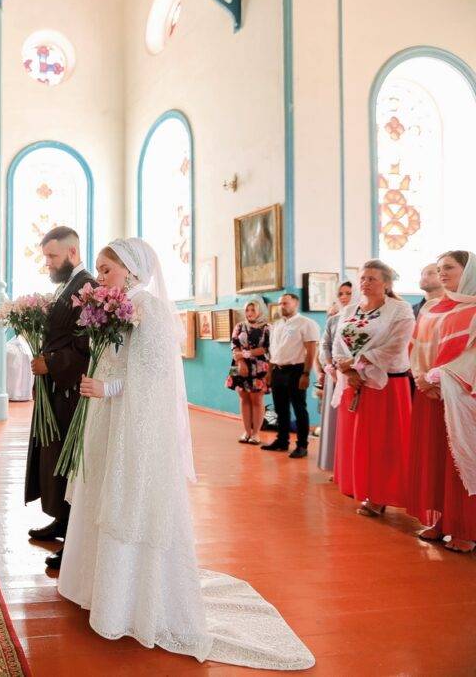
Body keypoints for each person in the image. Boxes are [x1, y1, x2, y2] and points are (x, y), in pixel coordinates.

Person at [57, 238, 314, 670]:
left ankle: (132, 602)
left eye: (106, 270)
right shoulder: (117, 307)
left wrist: (108, 388)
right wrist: (100, 382)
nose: (99, 279)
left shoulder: (149, 310)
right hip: (110, 419)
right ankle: (99, 589)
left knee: (128, 503)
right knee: (104, 496)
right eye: (99, 271)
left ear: (133, 270)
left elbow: (153, 381)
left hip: (134, 426)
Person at [26, 226, 95, 570]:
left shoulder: (89, 289)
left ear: (71, 253)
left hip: (72, 391)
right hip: (57, 389)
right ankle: (61, 521)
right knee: (56, 459)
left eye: (52, 257)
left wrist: (50, 363)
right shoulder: (68, 286)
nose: (48, 264)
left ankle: (74, 537)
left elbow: (87, 349)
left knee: (70, 462)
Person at [330, 259, 414, 517]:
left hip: (384, 384)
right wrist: (345, 369)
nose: (365, 283)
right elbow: (337, 343)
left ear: (387, 283)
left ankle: (381, 494)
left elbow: (395, 346)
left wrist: (358, 364)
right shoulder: (350, 310)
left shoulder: (400, 310)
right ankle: (362, 487)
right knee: (358, 440)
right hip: (353, 384)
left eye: (372, 279)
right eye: (363, 278)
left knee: (382, 442)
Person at [407, 250, 476, 552]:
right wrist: (422, 377)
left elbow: (471, 357)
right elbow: (417, 347)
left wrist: (437, 377)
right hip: (430, 395)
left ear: (469, 271)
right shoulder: (432, 307)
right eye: (439, 268)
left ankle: (466, 528)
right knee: (435, 457)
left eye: (449, 268)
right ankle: (442, 519)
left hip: (461, 394)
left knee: (460, 459)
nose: (442, 273)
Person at [262, 294, 320, 458]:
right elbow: (274, 350)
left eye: (286, 303)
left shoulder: (307, 324)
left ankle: (302, 445)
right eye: (280, 303)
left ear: (296, 303)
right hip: (278, 371)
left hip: (296, 370)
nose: (282, 306)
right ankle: (282, 440)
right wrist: (269, 372)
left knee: (299, 408)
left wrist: (306, 374)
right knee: (281, 409)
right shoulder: (277, 325)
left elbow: (311, 351)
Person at [316, 281, 353, 471]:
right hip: (335, 375)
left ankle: (350, 466)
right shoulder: (333, 319)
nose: (344, 297)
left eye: (348, 293)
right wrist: (329, 366)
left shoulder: (362, 317)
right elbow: (325, 345)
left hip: (354, 375)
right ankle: (336, 465)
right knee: (335, 423)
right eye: (341, 294)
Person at [225, 297, 270, 445]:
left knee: (256, 399)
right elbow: (234, 344)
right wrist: (240, 361)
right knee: (243, 397)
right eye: (247, 310)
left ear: (259, 311)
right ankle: (247, 431)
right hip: (240, 365)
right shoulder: (239, 326)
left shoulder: (267, 328)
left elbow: (266, 348)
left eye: (253, 310)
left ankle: (256, 433)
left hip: (259, 366)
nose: (249, 313)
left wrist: (246, 354)